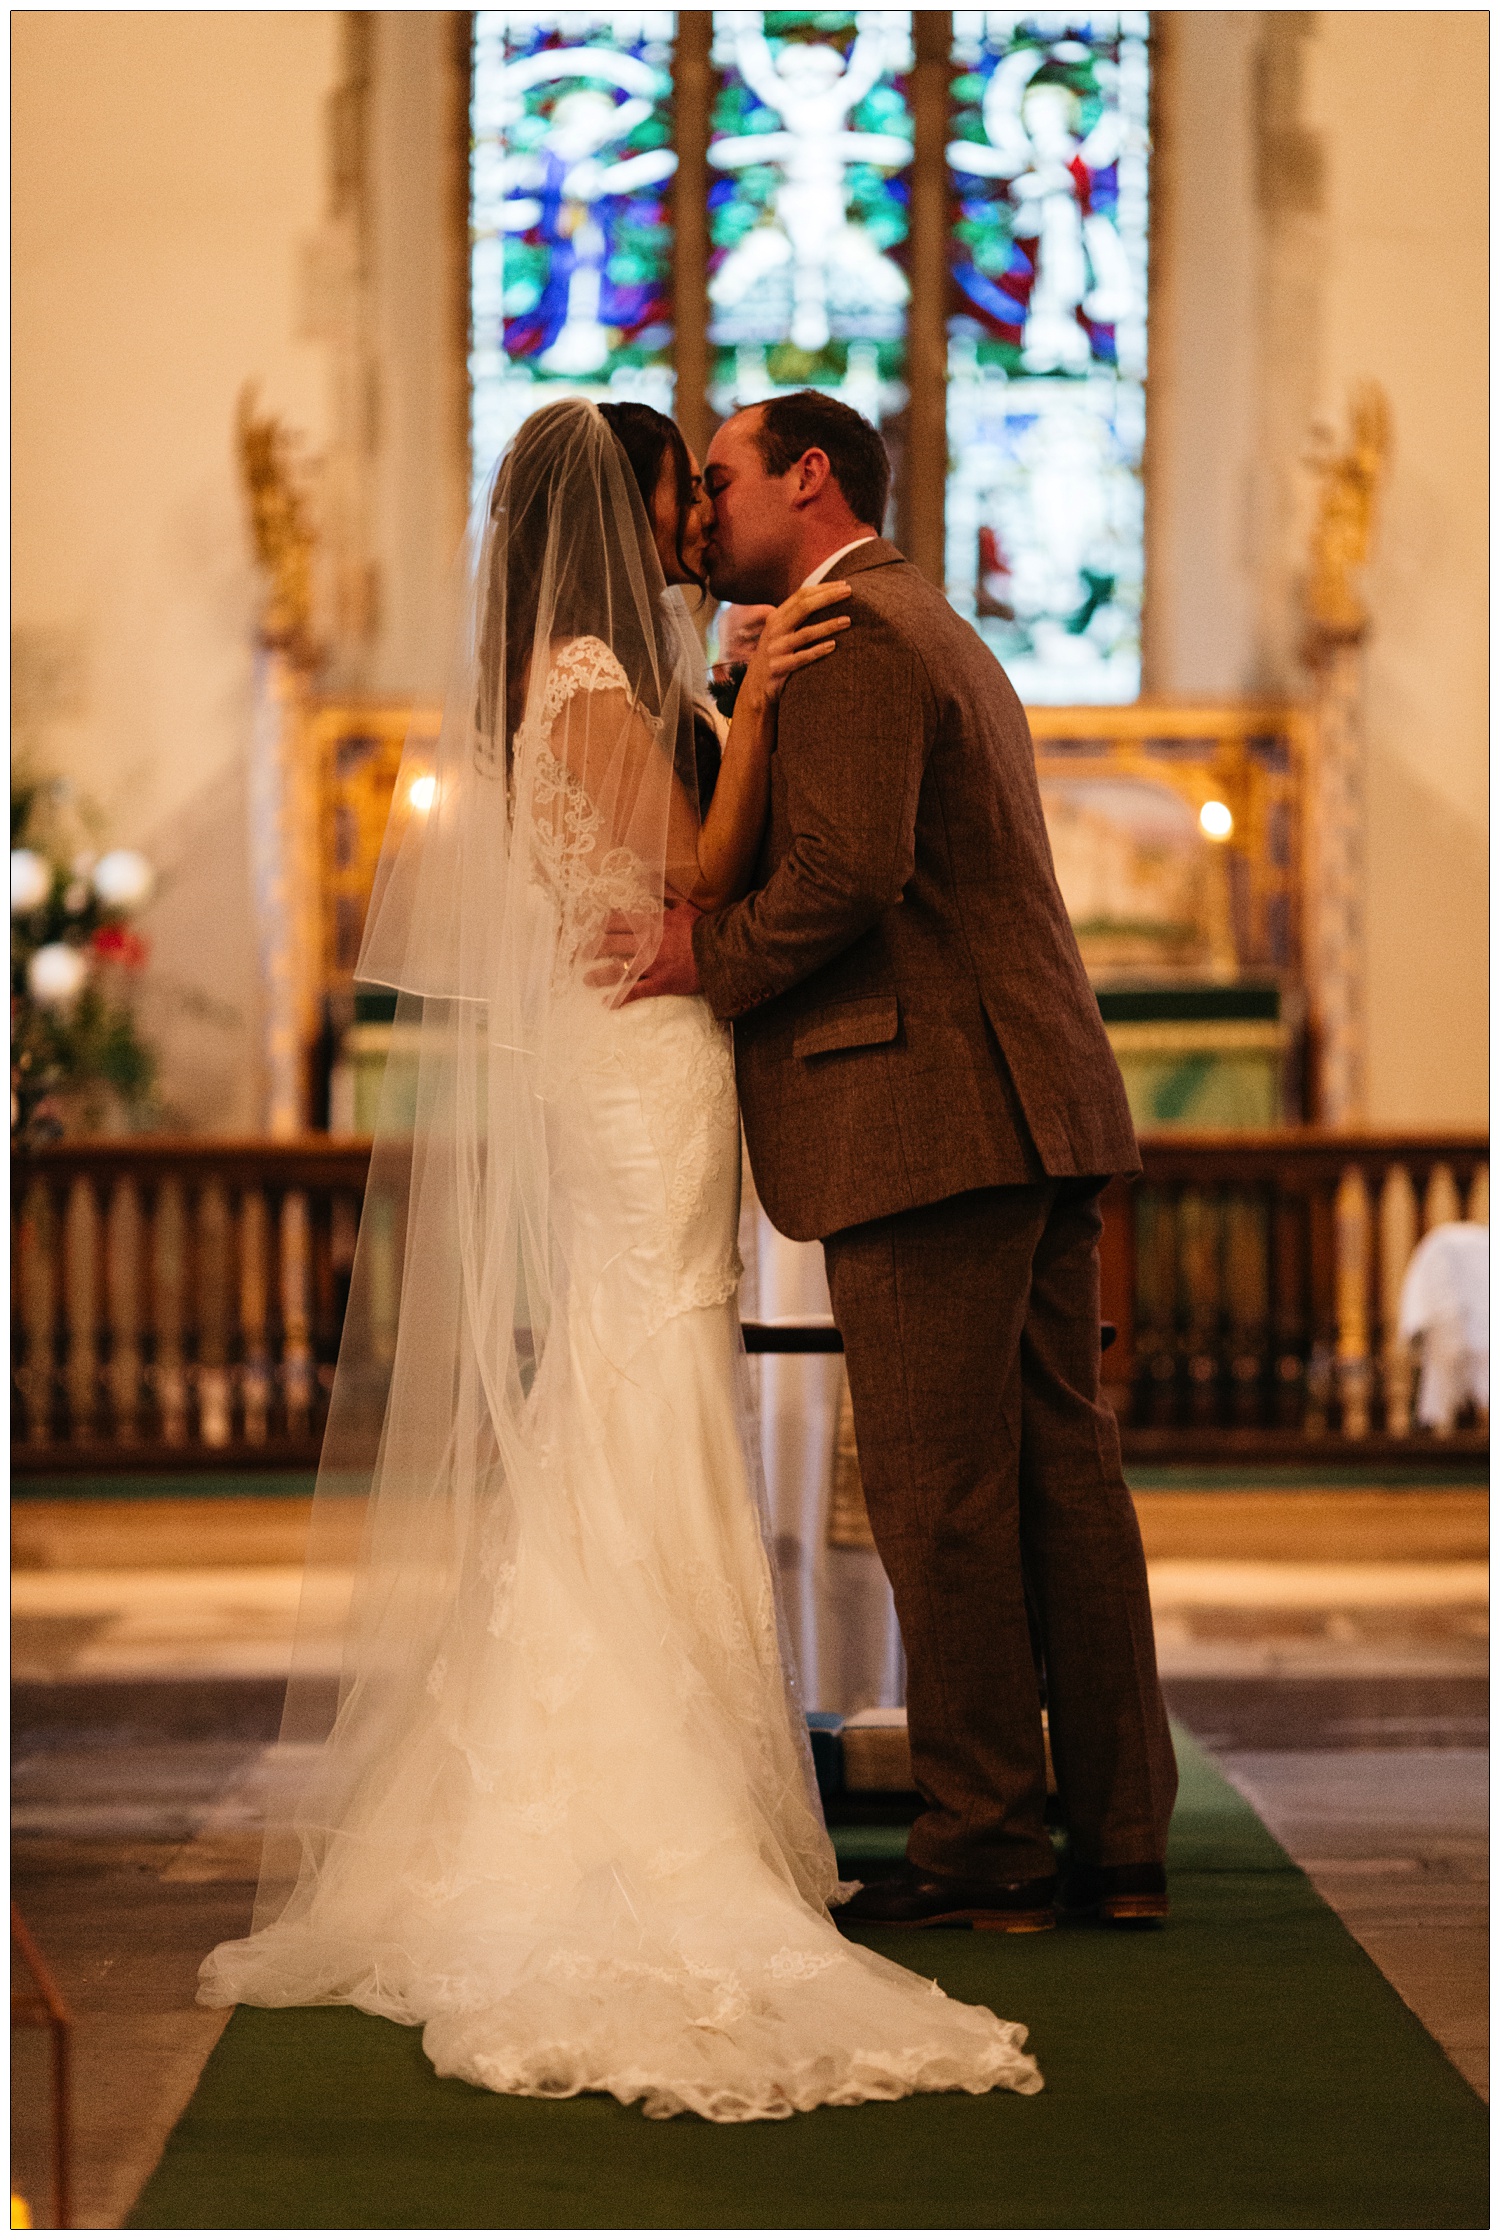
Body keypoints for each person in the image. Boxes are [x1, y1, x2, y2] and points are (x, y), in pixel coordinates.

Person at [199, 397, 1043, 2121]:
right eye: (681, 487)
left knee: (639, 1365)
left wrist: (735, 694)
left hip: (637, 1059)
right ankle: (642, 1800)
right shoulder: (586, 678)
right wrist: (765, 707)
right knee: (645, 1363)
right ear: (626, 503)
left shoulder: (576, 669)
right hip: (644, 1066)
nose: (691, 517)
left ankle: (673, 1765)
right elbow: (699, 865)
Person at [624, 388, 1178, 1930]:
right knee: (1061, 1481)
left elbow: (848, 874)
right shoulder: (907, 617)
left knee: (944, 1501)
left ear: (808, 479)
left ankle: (985, 1851)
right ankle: (1118, 1842)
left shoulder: (857, 635)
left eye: (718, 482)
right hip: (1017, 1105)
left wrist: (701, 961)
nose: (698, 517)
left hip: (927, 1119)